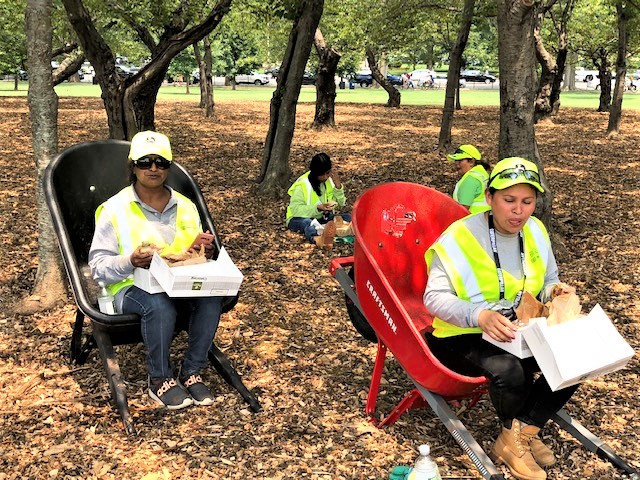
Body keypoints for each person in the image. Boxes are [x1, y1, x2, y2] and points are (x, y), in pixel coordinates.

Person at [423, 157, 577, 480]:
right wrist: (478, 315)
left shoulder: (536, 230)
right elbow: (433, 298)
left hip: (517, 328)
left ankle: (519, 435)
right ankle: (514, 437)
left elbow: (549, 278)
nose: (518, 211)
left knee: (573, 361)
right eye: (508, 200)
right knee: (514, 372)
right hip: (458, 335)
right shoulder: (460, 237)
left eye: (527, 201)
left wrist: (554, 291)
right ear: (489, 197)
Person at [89, 131, 223, 411]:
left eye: (160, 162)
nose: (153, 168)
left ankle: (192, 371)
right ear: (133, 166)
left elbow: (187, 252)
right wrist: (130, 261)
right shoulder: (114, 209)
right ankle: (160, 378)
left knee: (212, 297)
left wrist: (203, 251)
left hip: (179, 284)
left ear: (169, 166)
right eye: (145, 161)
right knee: (158, 305)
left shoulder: (186, 206)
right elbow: (99, 268)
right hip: (128, 287)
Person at [286, 152, 350, 249]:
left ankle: (345, 229)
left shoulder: (329, 181)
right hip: (297, 218)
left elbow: (341, 204)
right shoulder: (302, 184)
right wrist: (317, 208)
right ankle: (319, 239)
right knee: (308, 223)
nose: (325, 177)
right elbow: (296, 210)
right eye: (322, 174)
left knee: (347, 217)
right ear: (315, 173)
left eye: (327, 173)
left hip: (321, 217)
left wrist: (338, 186)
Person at [447, 144, 491, 213]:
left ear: (471, 162)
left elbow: (462, 210)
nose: (457, 164)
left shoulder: (470, 180)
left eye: (460, 160)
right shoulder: (482, 174)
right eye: (456, 161)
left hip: (471, 221)